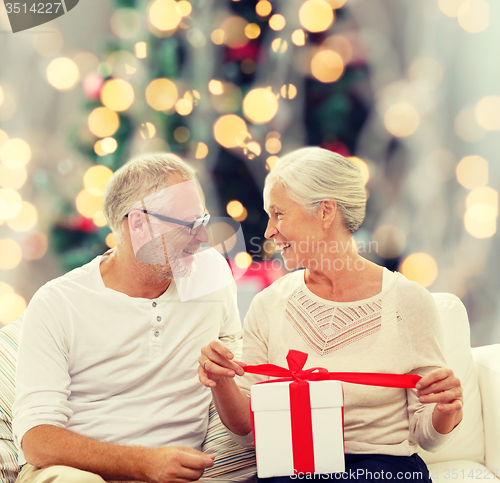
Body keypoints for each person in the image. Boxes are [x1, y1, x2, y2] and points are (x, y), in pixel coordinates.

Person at [199, 147, 463, 482]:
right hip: (294, 470)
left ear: (325, 212)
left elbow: (427, 435)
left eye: (279, 214)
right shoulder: (268, 304)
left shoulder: (408, 302)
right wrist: (221, 380)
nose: (268, 231)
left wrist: (446, 409)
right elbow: (248, 432)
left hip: (382, 470)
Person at [13, 153, 242, 483]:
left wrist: (222, 377)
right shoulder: (58, 303)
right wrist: (144, 463)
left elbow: (241, 417)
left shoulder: (212, 276)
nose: (203, 239)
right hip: (74, 473)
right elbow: (37, 440)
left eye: (203, 222)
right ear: (138, 224)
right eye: (189, 225)